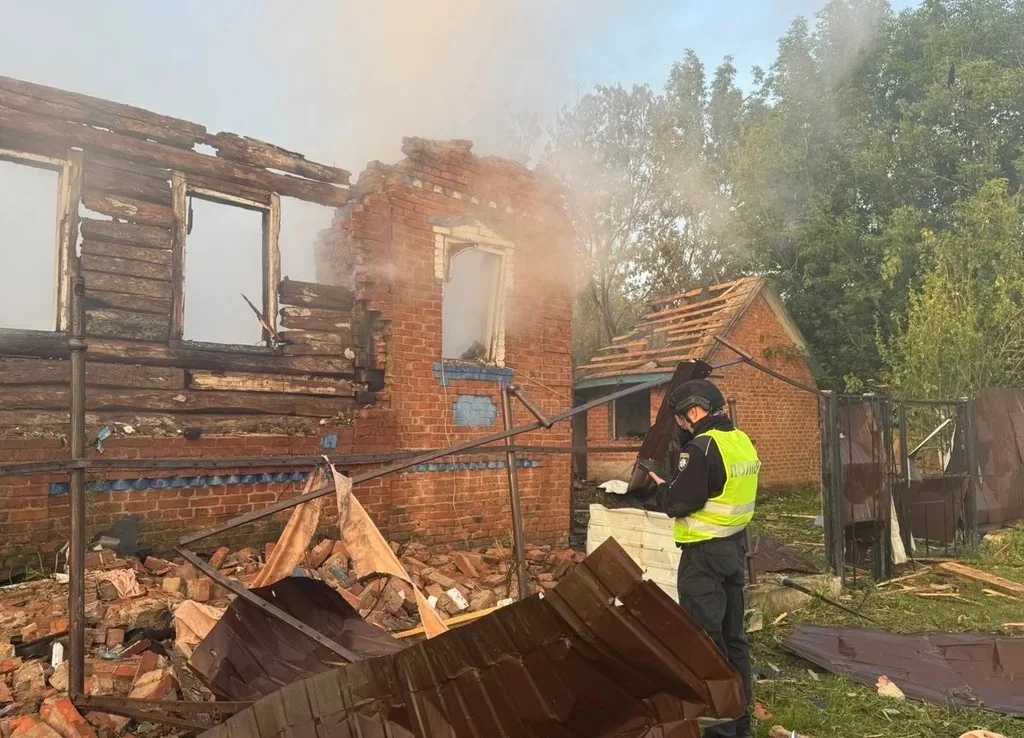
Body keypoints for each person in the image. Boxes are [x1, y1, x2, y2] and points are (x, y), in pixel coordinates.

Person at [646, 378, 759, 738]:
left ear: (695, 410)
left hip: (703, 558)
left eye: (682, 418)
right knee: (734, 639)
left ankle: (719, 731)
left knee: (706, 647)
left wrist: (661, 487)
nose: (681, 425)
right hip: (733, 550)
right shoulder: (740, 440)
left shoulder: (701, 447)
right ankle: (741, 724)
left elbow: (679, 502)